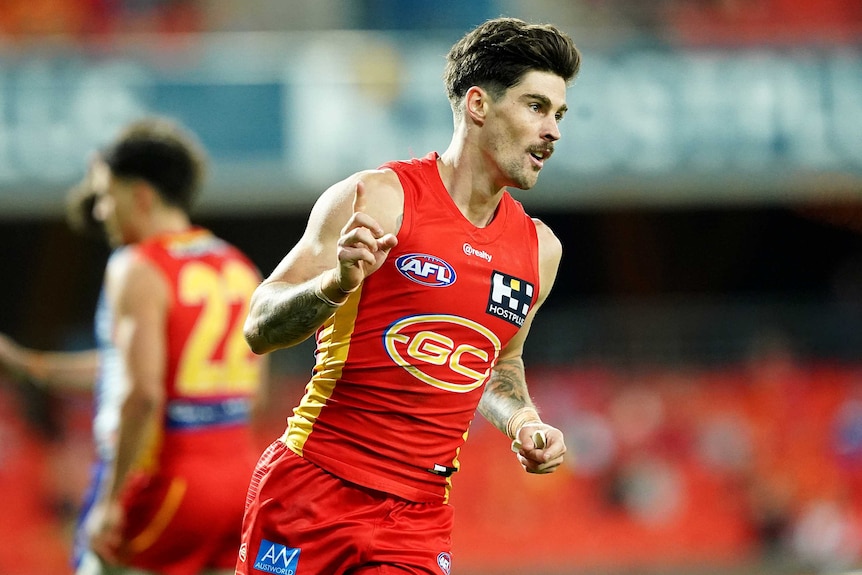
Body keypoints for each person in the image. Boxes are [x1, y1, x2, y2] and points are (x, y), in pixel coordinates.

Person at [238, 17, 581, 575]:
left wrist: (524, 422)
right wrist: (336, 285)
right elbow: (258, 326)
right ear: (478, 105)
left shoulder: (539, 250)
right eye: (537, 107)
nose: (554, 131)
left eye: (560, 114)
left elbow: (497, 363)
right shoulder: (377, 197)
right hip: (311, 491)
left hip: (417, 522)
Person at [0, 117, 268, 575]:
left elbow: (142, 392)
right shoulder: (238, 265)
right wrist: (34, 367)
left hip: (168, 478)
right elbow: (249, 391)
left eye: (107, 196)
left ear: (139, 195)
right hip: (237, 478)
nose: (101, 211)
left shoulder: (137, 267)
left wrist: (111, 500)